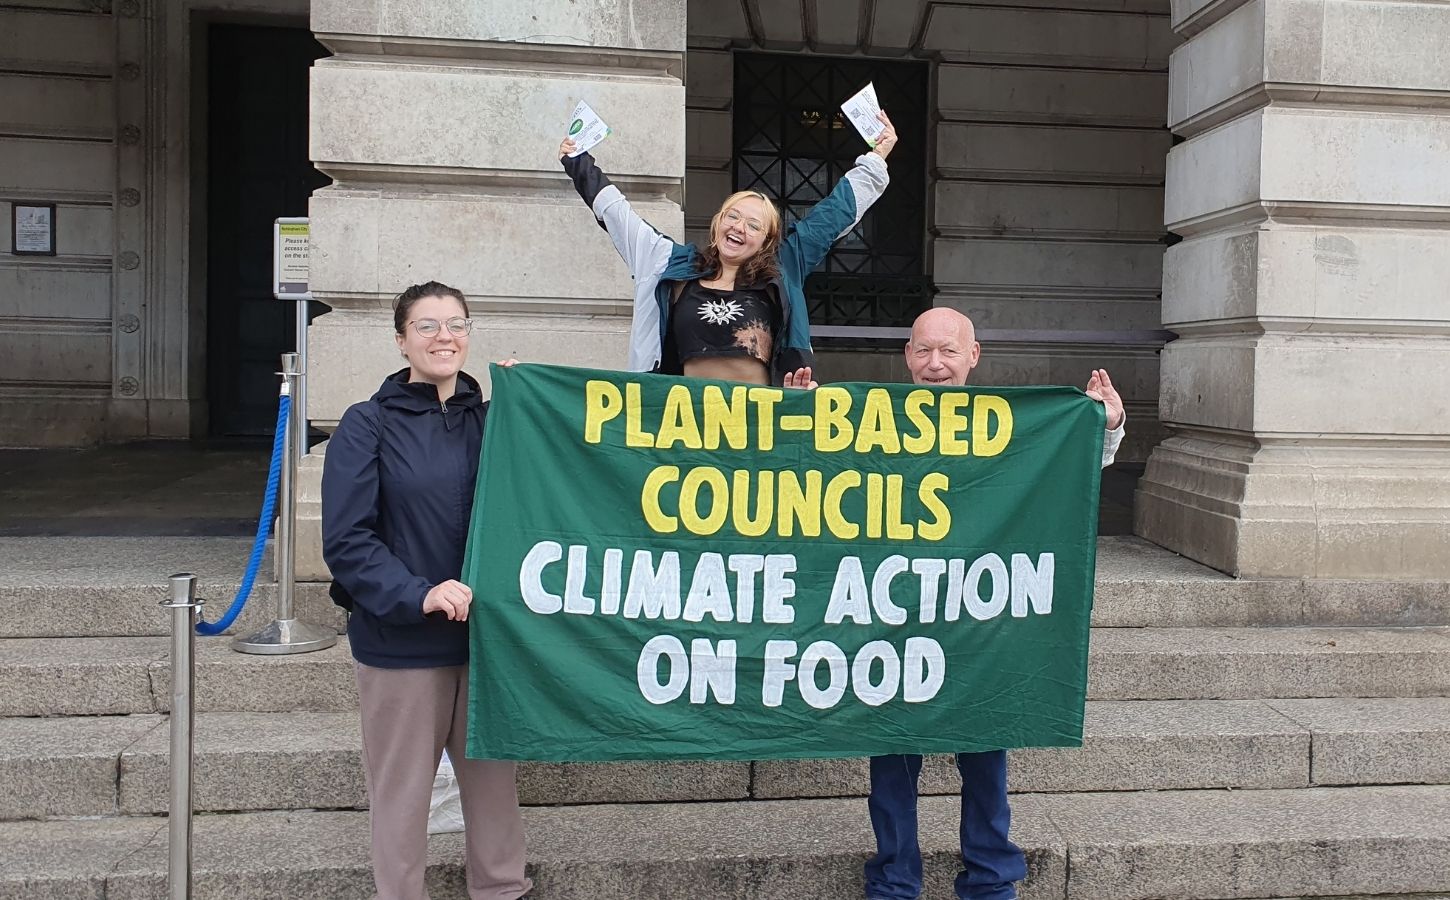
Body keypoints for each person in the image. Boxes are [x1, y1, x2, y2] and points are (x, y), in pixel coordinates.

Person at [865, 307, 1125, 900]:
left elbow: (1068, 474)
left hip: (980, 625)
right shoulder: (866, 424)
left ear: (973, 357)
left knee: (985, 759)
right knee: (892, 766)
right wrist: (790, 421)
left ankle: (989, 879)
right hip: (892, 619)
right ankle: (893, 881)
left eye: (949, 352)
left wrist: (1100, 428)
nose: (936, 365)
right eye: (924, 351)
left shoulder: (1010, 428)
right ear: (907, 356)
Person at [322, 281, 531, 900]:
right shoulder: (368, 424)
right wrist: (419, 593)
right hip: (403, 641)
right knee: (402, 791)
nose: (445, 337)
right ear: (401, 340)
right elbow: (348, 539)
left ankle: (501, 888)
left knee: (493, 786)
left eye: (457, 324)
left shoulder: (494, 419)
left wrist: (530, 404)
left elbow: (547, 487)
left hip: (487, 640)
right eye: (428, 326)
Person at [558, 110, 899, 388]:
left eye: (753, 225)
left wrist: (877, 157)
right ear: (718, 222)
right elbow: (620, 218)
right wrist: (577, 161)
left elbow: (834, 213)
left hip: (758, 423)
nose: (738, 227)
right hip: (686, 422)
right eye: (732, 216)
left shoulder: (785, 264)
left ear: (767, 240)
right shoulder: (672, 265)